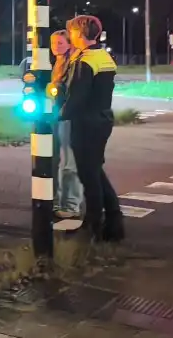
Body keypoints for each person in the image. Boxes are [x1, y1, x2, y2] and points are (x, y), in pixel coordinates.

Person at [60, 15, 123, 242]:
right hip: (103, 119)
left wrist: (58, 115)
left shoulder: (84, 61)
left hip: (86, 123)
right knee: (95, 171)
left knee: (89, 176)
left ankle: (93, 227)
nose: (71, 36)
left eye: (72, 32)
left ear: (79, 33)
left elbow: (77, 97)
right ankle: (114, 222)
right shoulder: (104, 56)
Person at [49, 30, 83, 224]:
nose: (56, 47)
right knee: (53, 160)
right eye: (53, 43)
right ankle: (56, 201)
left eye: (60, 43)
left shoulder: (72, 65)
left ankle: (71, 205)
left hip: (67, 117)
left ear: (70, 44)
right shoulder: (57, 64)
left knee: (69, 163)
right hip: (56, 116)